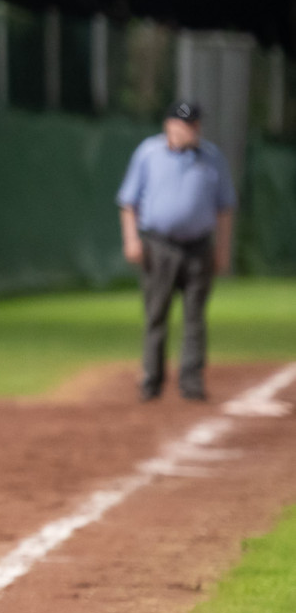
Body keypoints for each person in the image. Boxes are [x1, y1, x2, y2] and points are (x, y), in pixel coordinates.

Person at [116, 100, 237, 402]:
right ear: (170, 126)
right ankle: (151, 381)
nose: (194, 129)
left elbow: (225, 208)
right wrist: (131, 240)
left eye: (196, 123)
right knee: (156, 314)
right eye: (186, 123)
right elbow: (128, 201)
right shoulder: (148, 153)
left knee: (195, 316)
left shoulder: (212, 157)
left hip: (199, 246)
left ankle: (192, 382)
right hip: (159, 245)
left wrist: (222, 249)